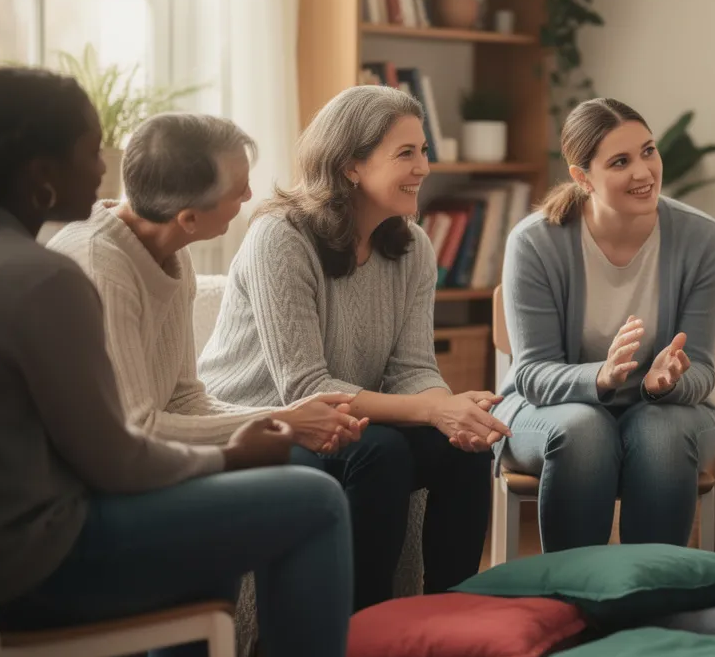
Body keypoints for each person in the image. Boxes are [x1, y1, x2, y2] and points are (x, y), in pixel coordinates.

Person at [0, 68, 352, 657]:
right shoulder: (48, 277)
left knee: (227, 510)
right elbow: (116, 459)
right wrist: (232, 455)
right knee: (316, 500)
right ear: (41, 174)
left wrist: (244, 446)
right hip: (34, 568)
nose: (106, 168)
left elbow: (156, 412)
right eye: (92, 150)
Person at [198, 85, 503, 607]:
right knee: (378, 453)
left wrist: (452, 413)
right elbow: (305, 388)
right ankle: (360, 631)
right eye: (405, 153)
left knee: (465, 451)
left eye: (423, 150)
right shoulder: (280, 236)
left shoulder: (413, 246)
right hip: (261, 422)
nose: (424, 168)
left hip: (349, 420)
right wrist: (433, 409)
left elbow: (412, 367)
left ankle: (450, 618)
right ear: (351, 166)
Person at [47, 113, 368, 453]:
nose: (249, 194)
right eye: (238, 190)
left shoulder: (172, 250)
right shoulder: (102, 269)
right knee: (309, 478)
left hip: (150, 458)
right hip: (93, 470)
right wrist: (285, 421)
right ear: (189, 219)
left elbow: (184, 399)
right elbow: (135, 427)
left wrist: (288, 419)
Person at [494, 97, 715, 551]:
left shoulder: (703, 239)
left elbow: (701, 368)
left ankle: (652, 589)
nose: (644, 172)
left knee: (661, 435)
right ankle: (573, 589)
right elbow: (532, 375)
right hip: (547, 412)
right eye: (620, 162)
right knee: (586, 432)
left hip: (663, 413)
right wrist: (600, 377)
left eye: (648, 151)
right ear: (582, 177)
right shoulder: (535, 242)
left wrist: (665, 384)